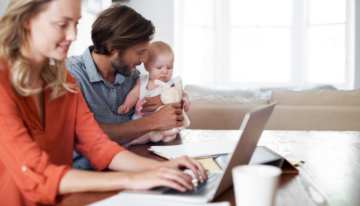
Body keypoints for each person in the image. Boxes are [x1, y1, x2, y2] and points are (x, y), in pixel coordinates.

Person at [0, 1, 206, 205]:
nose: (73, 36)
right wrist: (135, 179)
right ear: (27, 21)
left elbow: (97, 144)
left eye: (76, 24)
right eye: (62, 24)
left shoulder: (63, 82)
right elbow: (35, 175)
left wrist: (159, 168)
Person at [67, 4, 185, 170]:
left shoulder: (132, 76)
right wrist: (153, 122)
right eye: (139, 52)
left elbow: (169, 94)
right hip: (88, 175)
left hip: (133, 164)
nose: (145, 59)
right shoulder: (70, 76)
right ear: (111, 48)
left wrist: (165, 102)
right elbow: (80, 133)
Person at [117, 41, 191, 146]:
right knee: (131, 138)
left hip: (164, 124)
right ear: (147, 67)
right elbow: (133, 94)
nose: (165, 71)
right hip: (141, 123)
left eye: (169, 67)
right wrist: (127, 105)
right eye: (159, 67)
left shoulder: (172, 83)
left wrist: (186, 100)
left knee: (170, 134)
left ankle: (165, 135)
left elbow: (184, 95)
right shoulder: (142, 80)